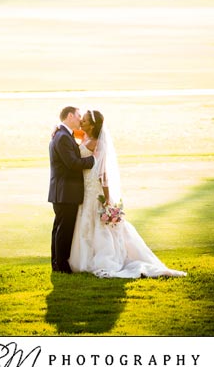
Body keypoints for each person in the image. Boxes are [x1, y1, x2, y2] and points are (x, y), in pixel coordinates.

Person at [68, 109, 187, 279]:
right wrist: (59, 129)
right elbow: (71, 134)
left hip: (94, 187)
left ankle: (104, 258)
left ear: (93, 126)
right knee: (86, 221)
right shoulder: (85, 136)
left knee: (98, 224)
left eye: (85, 121)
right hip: (85, 188)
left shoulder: (98, 143)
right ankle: (85, 257)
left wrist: (107, 198)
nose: (81, 123)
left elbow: (103, 172)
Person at [48, 106, 95, 273]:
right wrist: (93, 161)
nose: (80, 119)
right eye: (78, 116)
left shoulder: (64, 134)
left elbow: (85, 137)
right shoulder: (62, 137)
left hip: (63, 191)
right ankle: (61, 265)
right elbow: (73, 163)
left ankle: (57, 263)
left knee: (59, 228)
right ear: (69, 116)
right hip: (65, 192)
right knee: (64, 229)